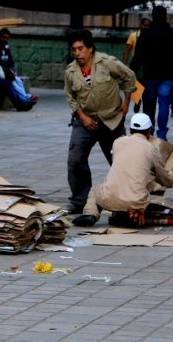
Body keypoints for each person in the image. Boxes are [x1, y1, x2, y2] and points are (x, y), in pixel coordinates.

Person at [64, 29, 137, 214]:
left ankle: (123, 202)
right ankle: (80, 201)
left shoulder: (107, 62)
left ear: (90, 48)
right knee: (75, 159)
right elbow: (70, 96)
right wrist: (82, 117)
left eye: (81, 48)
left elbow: (129, 76)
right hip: (85, 121)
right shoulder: (71, 71)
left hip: (111, 120)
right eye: (74, 50)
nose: (77, 53)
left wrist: (127, 101)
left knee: (120, 162)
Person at [71, 113, 173, 227]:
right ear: (149, 131)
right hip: (136, 203)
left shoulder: (118, 142)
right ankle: (132, 214)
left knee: (95, 191)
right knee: (151, 180)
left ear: (130, 130)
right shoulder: (151, 150)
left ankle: (90, 214)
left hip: (109, 198)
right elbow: (163, 178)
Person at [129, 5, 173, 140]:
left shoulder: (145, 34)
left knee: (149, 106)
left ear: (153, 16)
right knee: (164, 104)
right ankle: (162, 133)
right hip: (168, 75)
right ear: (165, 15)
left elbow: (138, 56)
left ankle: (149, 132)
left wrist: (131, 71)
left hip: (150, 75)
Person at [0, 28, 38, 111]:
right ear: (0, 37)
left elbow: (10, 61)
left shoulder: (5, 46)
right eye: (4, 38)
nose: (6, 40)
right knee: (10, 83)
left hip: (5, 71)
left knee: (18, 80)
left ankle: (25, 98)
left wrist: (12, 70)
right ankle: (22, 102)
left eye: (7, 38)